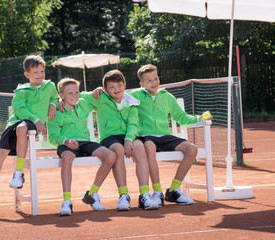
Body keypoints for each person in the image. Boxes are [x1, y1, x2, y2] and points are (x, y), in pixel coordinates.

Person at [0, 55, 58, 209]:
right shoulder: (21, 90)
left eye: (42, 71)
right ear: (27, 75)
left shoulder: (50, 86)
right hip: (17, 123)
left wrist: (52, 104)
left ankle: (19, 173)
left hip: (29, 127)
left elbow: (55, 96)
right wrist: (37, 119)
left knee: (22, 128)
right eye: (36, 72)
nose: (40, 75)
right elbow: (20, 109)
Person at [130, 64, 213, 206]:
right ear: (141, 83)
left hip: (164, 136)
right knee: (149, 147)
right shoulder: (134, 96)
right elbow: (115, 97)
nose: (154, 82)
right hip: (146, 137)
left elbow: (181, 117)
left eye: (155, 78)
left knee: (192, 149)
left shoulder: (167, 97)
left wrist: (199, 118)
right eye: (149, 80)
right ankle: (157, 192)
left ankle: (173, 190)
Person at [84, 70, 159, 211]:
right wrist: (95, 90)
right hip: (109, 137)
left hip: (127, 136)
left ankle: (144, 195)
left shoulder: (131, 102)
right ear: (105, 89)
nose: (116, 89)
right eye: (111, 87)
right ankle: (123, 195)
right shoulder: (101, 98)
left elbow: (133, 124)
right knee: (118, 150)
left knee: (140, 147)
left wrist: (129, 139)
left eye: (119, 85)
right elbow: (78, 96)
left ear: (124, 85)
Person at [48, 78, 116, 216]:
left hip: (85, 142)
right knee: (67, 157)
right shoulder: (55, 111)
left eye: (76, 92)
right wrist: (65, 140)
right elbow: (53, 136)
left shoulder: (84, 103)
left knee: (111, 156)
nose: (75, 96)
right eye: (70, 93)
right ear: (61, 96)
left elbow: (93, 95)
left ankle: (92, 194)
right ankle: (67, 201)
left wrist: (98, 89)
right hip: (66, 143)